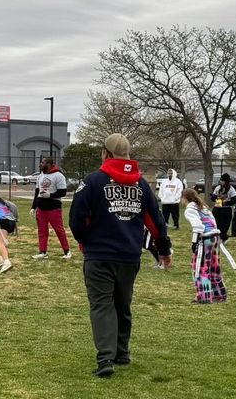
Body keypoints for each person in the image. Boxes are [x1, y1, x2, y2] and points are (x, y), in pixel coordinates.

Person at [68, 133, 170, 379]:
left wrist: (84, 240)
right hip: (129, 255)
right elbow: (156, 221)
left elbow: (76, 218)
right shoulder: (142, 184)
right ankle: (121, 352)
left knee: (102, 304)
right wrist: (163, 249)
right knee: (123, 303)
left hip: (99, 255)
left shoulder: (93, 181)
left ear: (106, 152)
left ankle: (105, 358)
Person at [183, 188, 227, 304]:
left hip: (205, 239)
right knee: (214, 267)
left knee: (200, 266)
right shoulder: (203, 207)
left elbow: (198, 226)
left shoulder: (190, 209)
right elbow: (213, 222)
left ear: (185, 198)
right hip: (215, 237)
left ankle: (204, 296)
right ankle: (219, 294)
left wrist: (194, 242)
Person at [30, 157, 72, 259]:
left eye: (42, 162)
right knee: (42, 231)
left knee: (59, 230)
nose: (40, 164)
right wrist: (33, 207)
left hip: (54, 208)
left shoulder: (58, 176)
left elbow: (63, 192)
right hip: (41, 208)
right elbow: (37, 193)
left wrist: (50, 195)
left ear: (49, 164)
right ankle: (43, 252)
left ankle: (67, 251)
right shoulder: (40, 176)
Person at [210, 173, 236, 243]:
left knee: (224, 225)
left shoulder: (231, 189)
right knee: (216, 224)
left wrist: (225, 202)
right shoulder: (218, 188)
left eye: (223, 180)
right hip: (217, 208)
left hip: (226, 209)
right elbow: (213, 198)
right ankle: (216, 237)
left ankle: (223, 237)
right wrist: (214, 197)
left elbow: (233, 200)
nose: (221, 182)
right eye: (221, 180)